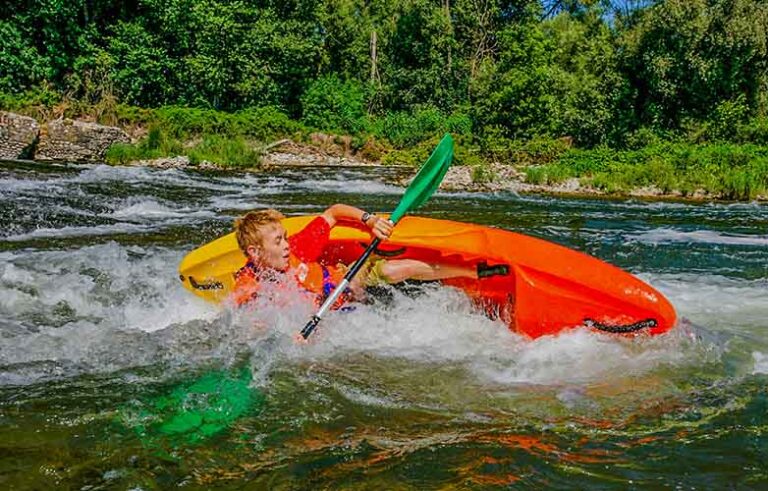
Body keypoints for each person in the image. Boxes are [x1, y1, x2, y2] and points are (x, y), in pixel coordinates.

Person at [232, 204, 509, 308]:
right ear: (255, 253)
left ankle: (472, 271)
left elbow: (334, 212)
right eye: (278, 241)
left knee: (391, 271)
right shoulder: (250, 284)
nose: (286, 246)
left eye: (284, 237)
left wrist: (370, 220)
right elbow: (242, 319)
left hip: (350, 276)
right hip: (345, 313)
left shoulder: (299, 247)